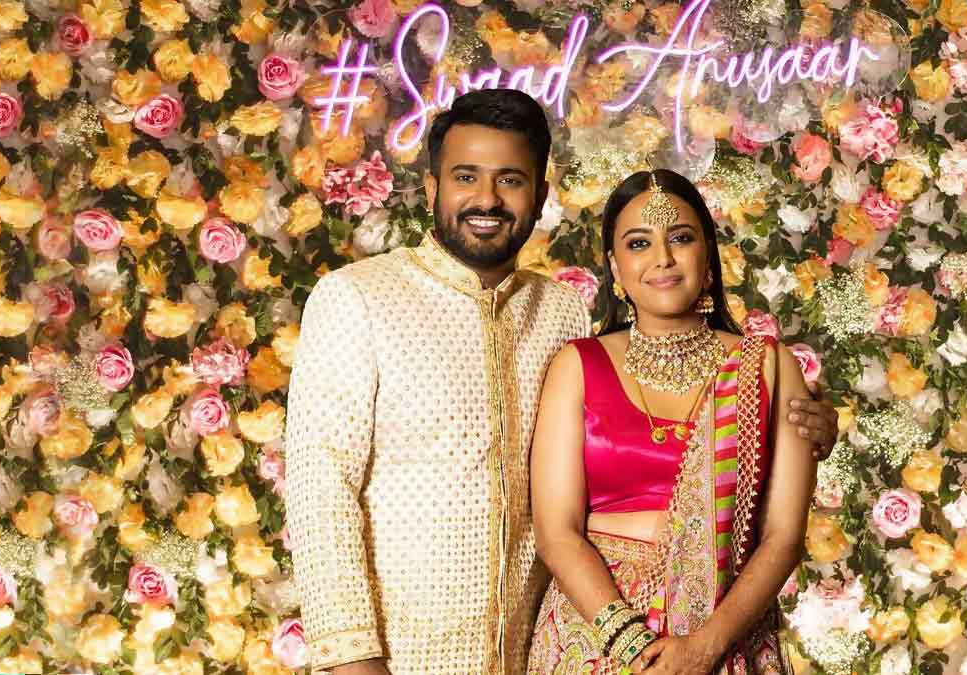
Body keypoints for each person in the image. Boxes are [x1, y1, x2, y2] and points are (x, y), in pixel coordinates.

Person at [284, 90, 837, 675]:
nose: (487, 199)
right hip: (403, 655)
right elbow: (321, 491)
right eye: (466, 177)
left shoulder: (560, 311)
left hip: (532, 650)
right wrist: (352, 658)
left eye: (511, 180)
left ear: (541, 195)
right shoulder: (358, 298)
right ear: (431, 188)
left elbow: (656, 438)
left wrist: (803, 426)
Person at [528, 169, 816, 675]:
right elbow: (557, 532)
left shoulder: (767, 367)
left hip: (723, 633)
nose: (662, 257)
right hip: (595, 634)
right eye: (639, 243)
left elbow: (783, 538)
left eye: (680, 238)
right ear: (615, 267)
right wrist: (633, 647)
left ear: (708, 257)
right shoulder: (577, 366)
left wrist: (704, 648)